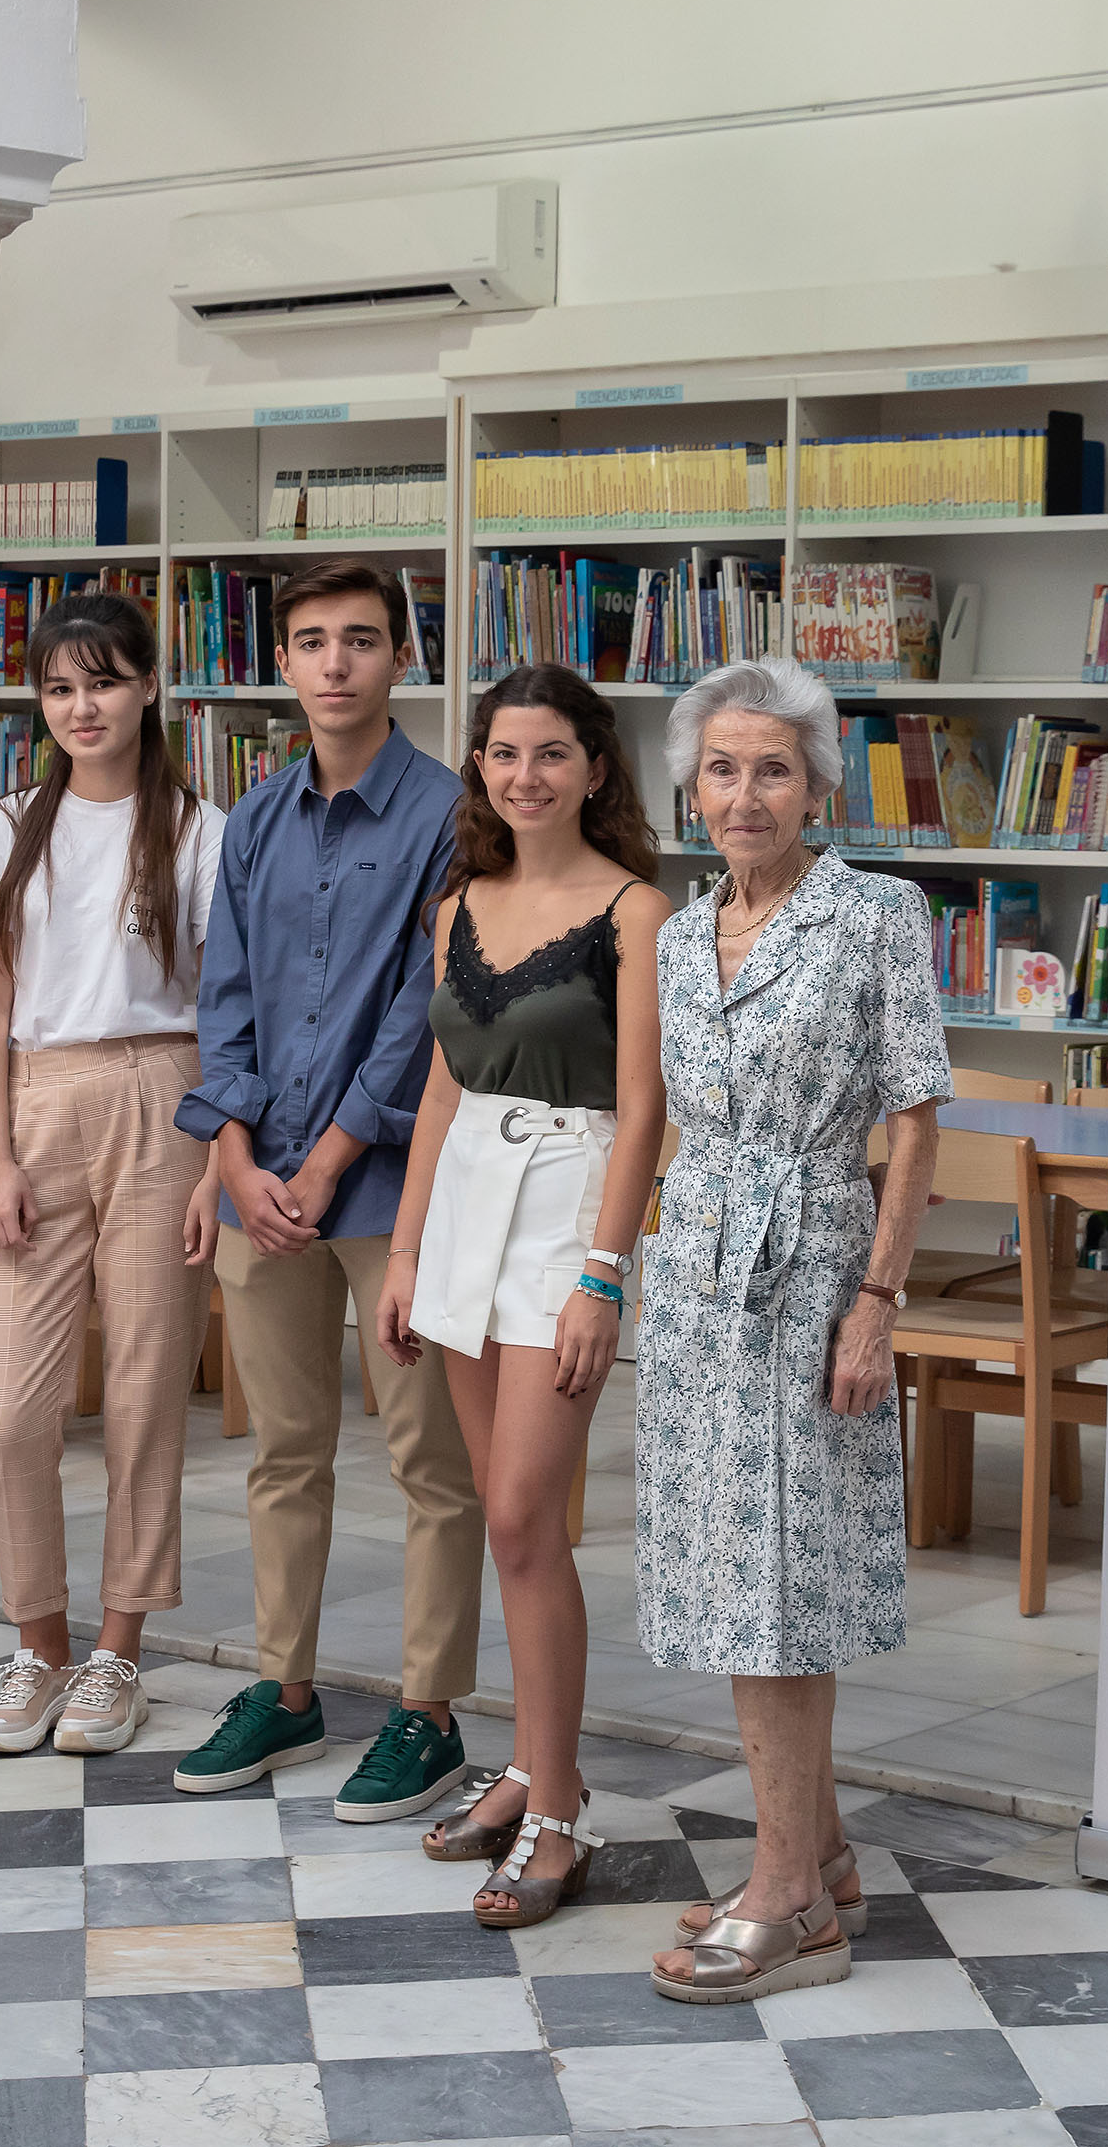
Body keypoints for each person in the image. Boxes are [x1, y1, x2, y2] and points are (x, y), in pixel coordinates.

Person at [638, 658, 946, 2004]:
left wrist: (876, 1300)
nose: (745, 791)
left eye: (771, 767)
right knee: (726, 1573)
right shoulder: (670, 932)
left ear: (818, 781)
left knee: (777, 1589)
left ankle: (786, 1903)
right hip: (693, 1272)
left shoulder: (875, 913)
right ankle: (814, 1851)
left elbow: (916, 1115)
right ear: (688, 788)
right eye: (721, 767)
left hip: (814, 1263)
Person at [169, 559, 484, 1820]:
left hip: (393, 1184)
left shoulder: (454, 817)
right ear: (283, 665)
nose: (337, 661)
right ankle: (283, 1689)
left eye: (362, 639)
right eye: (312, 641)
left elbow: (428, 1008)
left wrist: (330, 1155)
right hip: (265, 1180)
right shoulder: (252, 820)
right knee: (283, 1451)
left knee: (430, 1461)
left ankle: (428, 1712)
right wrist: (234, 1152)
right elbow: (226, 992)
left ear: (402, 659)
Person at [376, 666, 671, 1927]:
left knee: (519, 1514)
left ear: (596, 767)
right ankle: (538, 1765)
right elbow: (442, 1092)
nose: (525, 776)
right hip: (462, 1213)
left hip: (567, 1208)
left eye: (552, 753)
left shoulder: (639, 910)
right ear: (480, 767)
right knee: (507, 1525)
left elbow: (646, 1104)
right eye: (503, 753)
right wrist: (400, 1255)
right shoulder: (460, 904)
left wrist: (607, 1273)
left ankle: (555, 1823)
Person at [0, 592, 227, 1756]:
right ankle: (37, 1645)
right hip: (40, 1099)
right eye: (59, 688)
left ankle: (119, 1654)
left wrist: (215, 1152)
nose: (82, 707)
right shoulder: (5, 825)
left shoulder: (199, 829)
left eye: (103, 681)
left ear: (149, 686)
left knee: (152, 1389)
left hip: (167, 1092)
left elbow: (223, 1004)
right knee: (11, 1411)